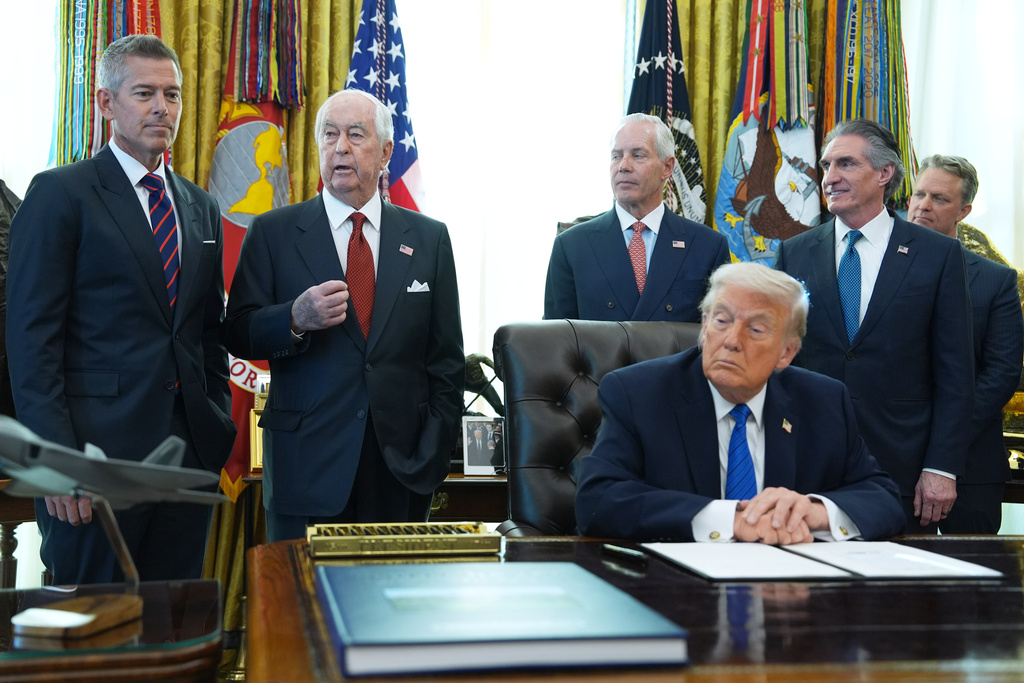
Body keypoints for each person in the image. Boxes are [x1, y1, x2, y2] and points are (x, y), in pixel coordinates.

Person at [6, 35, 236, 584]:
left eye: (172, 94)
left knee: (173, 622)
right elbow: (31, 341)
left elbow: (207, 333)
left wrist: (215, 420)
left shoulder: (200, 206)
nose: (162, 107)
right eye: (144, 93)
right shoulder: (61, 193)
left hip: (187, 460)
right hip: (93, 461)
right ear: (106, 103)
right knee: (95, 623)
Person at [223, 89, 464, 542]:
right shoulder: (273, 232)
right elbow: (236, 332)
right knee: (301, 590)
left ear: (386, 152)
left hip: (401, 471)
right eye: (330, 135)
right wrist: (294, 318)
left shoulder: (428, 239)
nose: (341, 148)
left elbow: (446, 362)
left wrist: (432, 456)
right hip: (305, 468)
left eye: (356, 135)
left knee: (392, 590)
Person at [575, 262, 904, 543]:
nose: (732, 341)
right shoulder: (639, 393)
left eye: (756, 329)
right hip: (675, 586)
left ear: (787, 352)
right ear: (705, 327)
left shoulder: (823, 401)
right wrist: (732, 520)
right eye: (721, 321)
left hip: (787, 586)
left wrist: (813, 512)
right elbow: (598, 500)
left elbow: (883, 498)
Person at [773, 119, 974, 533]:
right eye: (826, 166)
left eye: (845, 164)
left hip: (902, 470)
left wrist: (941, 467)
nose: (829, 178)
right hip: (807, 464)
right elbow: (779, 361)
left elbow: (956, 374)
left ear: (884, 173)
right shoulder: (794, 253)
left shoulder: (937, 255)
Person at [908, 154, 1023, 533]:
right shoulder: (876, 268)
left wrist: (945, 433)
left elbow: (1003, 372)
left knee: (974, 568)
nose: (924, 205)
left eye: (939, 198)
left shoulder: (996, 280)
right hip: (893, 456)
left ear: (964, 211)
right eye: (919, 194)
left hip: (972, 463)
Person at [544, 113, 730, 322]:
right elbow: (556, 337)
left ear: (667, 167)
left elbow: (721, 333)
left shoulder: (708, 247)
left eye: (638, 155)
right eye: (616, 156)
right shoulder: (571, 246)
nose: (623, 166)